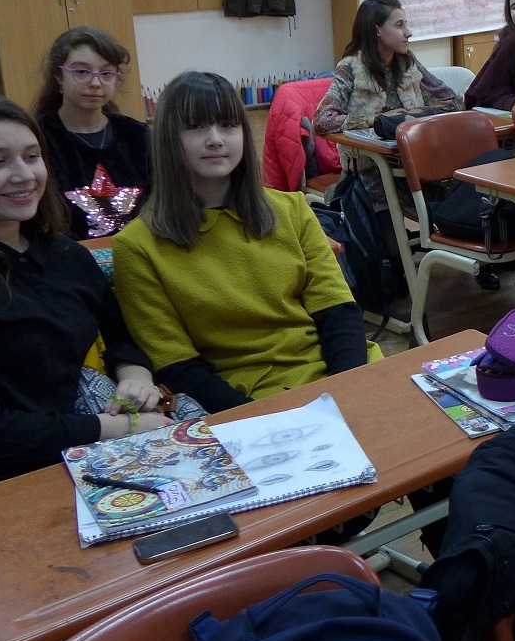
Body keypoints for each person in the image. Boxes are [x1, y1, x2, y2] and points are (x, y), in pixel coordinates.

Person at [114, 72, 381, 414]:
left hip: (340, 373)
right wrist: (257, 419)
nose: (215, 140)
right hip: (250, 396)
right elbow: (177, 365)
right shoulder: (137, 247)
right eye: (196, 127)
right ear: (168, 140)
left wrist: (346, 389)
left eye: (227, 125)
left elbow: (337, 309)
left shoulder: (292, 209)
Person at [0, 93, 176, 486]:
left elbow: (120, 337)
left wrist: (134, 375)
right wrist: (116, 429)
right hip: (21, 474)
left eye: (32, 156)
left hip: (97, 434)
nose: (23, 174)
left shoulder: (66, 254)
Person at [313, 0, 461, 209]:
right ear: (377, 30)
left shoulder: (407, 63)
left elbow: (453, 101)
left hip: (413, 158)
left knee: (452, 195)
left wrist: (411, 116)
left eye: (406, 24)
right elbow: (322, 120)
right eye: (399, 25)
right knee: (383, 204)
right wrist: (377, 120)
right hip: (370, 169)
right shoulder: (351, 67)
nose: (408, 33)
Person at [33, 26, 152, 239]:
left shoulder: (138, 135)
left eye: (106, 73)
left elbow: (158, 205)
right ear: (59, 75)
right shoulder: (38, 139)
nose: (95, 83)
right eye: (82, 72)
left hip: (137, 255)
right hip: (72, 260)